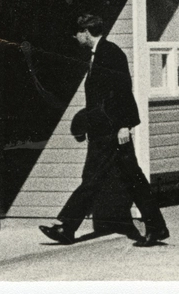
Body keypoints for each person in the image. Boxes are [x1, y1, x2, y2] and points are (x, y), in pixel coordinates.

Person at [40, 14, 170, 248]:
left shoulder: (111, 53)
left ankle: (67, 227)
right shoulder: (99, 55)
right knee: (123, 180)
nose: (76, 38)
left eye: (77, 34)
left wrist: (125, 125)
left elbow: (123, 90)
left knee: (108, 180)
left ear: (86, 32)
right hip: (103, 132)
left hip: (113, 133)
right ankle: (155, 227)